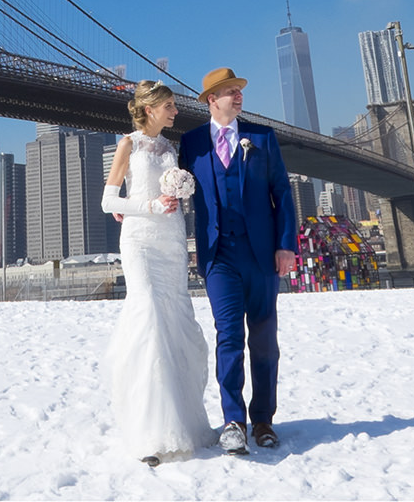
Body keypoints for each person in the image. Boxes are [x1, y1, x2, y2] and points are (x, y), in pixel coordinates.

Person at [177, 67, 299, 454]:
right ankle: (233, 420)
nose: (239, 95)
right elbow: (176, 189)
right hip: (219, 257)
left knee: (264, 339)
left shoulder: (262, 137)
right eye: (231, 91)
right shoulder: (191, 143)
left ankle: (263, 420)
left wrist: (286, 245)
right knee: (228, 337)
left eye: (239, 90)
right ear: (212, 99)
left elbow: (283, 193)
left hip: (262, 255)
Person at [100, 80, 213, 465]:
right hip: (141, 241)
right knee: (147, 315)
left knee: (173, 323)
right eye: (169, 106)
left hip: (171, 239)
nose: (176, 112)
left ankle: (183, 423)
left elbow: (168, 191)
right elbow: (108, 201)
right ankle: (149, 433)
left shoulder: (169, 147)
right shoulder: (127, 145)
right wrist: (148, 206)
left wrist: (178, 194)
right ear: (149, 109)